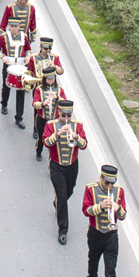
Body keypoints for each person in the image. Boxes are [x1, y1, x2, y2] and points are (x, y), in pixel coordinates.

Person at [83, 164, 128, 277]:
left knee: (111, 271)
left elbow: (123, 215)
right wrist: (101, 206)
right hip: (95, 232)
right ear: (100, 178)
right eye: (107, 182)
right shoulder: (90, 189)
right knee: (93, 259)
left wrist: (117, 208)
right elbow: (86, 210)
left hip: (111, 235)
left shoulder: (119, 192)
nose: (110, 186)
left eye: (112, 183)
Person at [43, 98, 89, 244]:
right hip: (56, 166)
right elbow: (46, 142)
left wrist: (75, 137)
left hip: (72, 165)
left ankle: (58, 203)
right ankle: (63, 230)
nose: (66, 119)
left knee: (69, 191)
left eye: (69, 116)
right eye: (63, 115)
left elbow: (84, 145)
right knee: (62, 197)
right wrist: (58, 134)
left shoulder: (78, 126)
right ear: (59, 113)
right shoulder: (51, 125)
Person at [0, 17, 30, 128]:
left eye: (16, 26)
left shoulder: (24, 37)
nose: (14, 28)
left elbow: (28, 49)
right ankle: (4, 103)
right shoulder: (4, 37)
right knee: (6, 87)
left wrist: (28, 57)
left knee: (21, 91)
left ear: (19, 27)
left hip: (21, 67)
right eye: (12, 26)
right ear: (9, 26)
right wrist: (2, 57)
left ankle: (19, 117)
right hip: (9, 66)